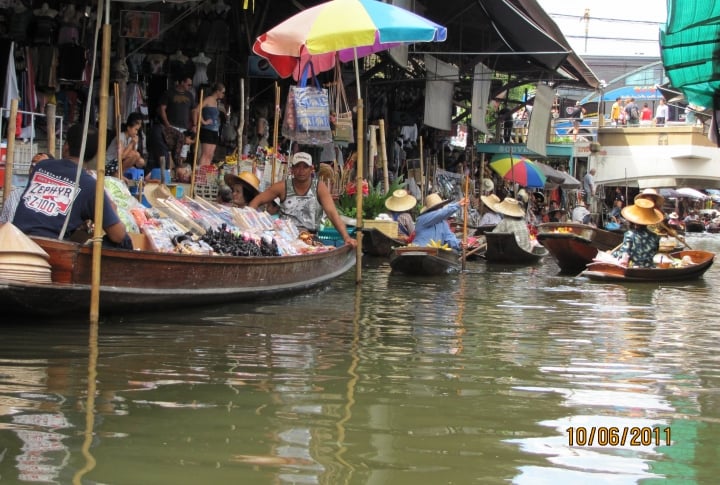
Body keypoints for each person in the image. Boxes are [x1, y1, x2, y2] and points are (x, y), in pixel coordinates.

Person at [12, 124, 131, 249]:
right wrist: (112, 210)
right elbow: (118, 236)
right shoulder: (91, 185)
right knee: (124, 242)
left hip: (16, 239)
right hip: (49, 249)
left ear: (66, 146)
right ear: (95, 154)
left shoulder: (40, 166)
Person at [248, 152, 357, 247]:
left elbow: (332, 214)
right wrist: (248, 222)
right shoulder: (282, 187)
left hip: (310, 237)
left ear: (311, 169)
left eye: (305, 167)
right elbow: (257, 200)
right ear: (292, 169)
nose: (301, 171)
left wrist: (346, 237)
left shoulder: (319, 188)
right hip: (284, 237)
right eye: (297, 167)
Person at [150, 76, 196, 171]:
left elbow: (193, 111)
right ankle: (169, 171)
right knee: (171, 150)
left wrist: (195, 125)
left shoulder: (190, 95)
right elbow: (162, 109)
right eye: (188, 84)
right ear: (182, 82)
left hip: (184, 127)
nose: (190, 86)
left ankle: (179, 173)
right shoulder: (169, 93)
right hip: (171, 126)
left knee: (183, 153)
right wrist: (167, 125)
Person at [0, 152, 54, 224]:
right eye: (32, 165)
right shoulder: (15, 195)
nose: (34, 169)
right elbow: (3, 224)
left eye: (39, 166)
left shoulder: (54, 200)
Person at [611, 198, 663, 267]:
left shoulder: (630, 234)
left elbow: (624, 254)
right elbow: (655, 252)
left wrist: (613, 254)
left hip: (636, 269)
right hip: (650, 268)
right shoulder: (655, 236)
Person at [199, 83, 225, 167]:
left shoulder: (217, 102)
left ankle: (205, 173)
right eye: (223, 92)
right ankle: (201, 173)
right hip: (207, 129)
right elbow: (196, 110)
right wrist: (203, 121)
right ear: (217, 91)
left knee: (210, 155)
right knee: (205, 154)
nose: (223, 95)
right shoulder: (208, 99)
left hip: (215, 130)